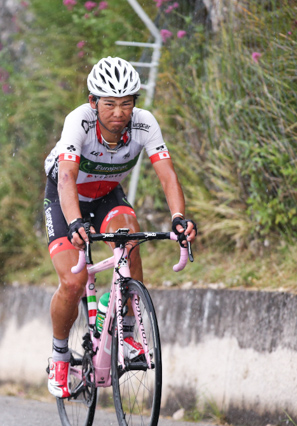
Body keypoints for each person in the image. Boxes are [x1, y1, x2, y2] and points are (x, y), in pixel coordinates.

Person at [44, 56, 197, 398]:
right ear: (93, 102)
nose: (118, 112)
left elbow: (167, 174)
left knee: (130, 234)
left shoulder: (144, 124)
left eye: (126, 104)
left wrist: (178, 218)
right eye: (109, 104)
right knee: (73, 280)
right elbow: (66, 176)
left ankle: (128, 329)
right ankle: (59, 354)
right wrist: (74, 222)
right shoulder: (79, 122)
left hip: (106, 195)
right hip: (66, 197)